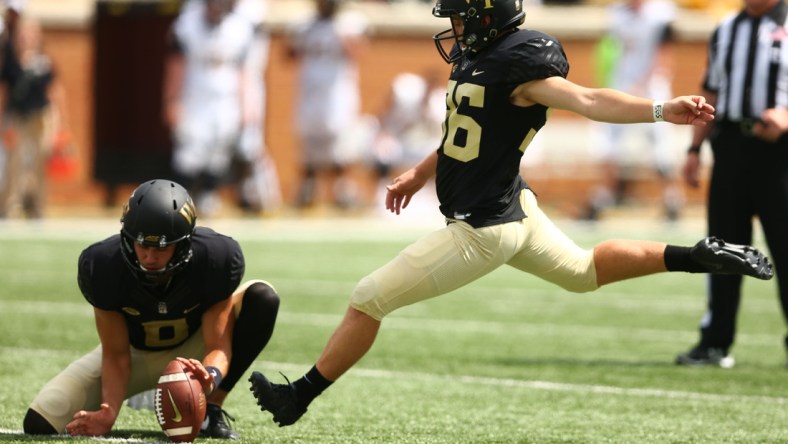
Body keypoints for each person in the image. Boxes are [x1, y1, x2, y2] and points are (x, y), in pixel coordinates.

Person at [249, 0, 773, 426]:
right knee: (584, 272)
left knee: (367, 299)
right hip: (516, 210)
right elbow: (467, 131)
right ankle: (697, 255)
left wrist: (660, 110)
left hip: (482, 229)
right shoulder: (484, 63)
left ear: (483, 17)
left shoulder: (522, 65)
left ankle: (299, 396)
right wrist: (418, 172)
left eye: (459, 18)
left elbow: (588, 99)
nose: (453, 29)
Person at [22, 179, 280, 439]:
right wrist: (109, 412)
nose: (149, 256)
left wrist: (209, 378)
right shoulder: (102, 266)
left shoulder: (215, 258)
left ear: (182, 243)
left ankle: (211, 409)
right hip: (133, 357)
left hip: (194, 355)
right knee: (40, 421)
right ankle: (148, 390)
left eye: (162, 247)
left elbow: (217, 345)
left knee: (262, 298)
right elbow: (115, 354)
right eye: (143, 244)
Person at [676, 0, 788, 368]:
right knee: (722, 249)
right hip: (731, 148)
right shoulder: (725, 29)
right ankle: (714, 342)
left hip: (780, 154)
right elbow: (711, 91)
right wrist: (695, 149)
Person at [582, 0, 682, 221]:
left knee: (660, 144)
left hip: (652, 87)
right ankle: (603, 197)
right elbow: (610, 51)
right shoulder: (616, 13)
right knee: (609, 141)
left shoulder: (661, 13)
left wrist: (644, 82)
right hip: (621, 84)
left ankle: (671, 199)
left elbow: (664, 53)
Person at [163, 0, 258, 217]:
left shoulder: (240, 28)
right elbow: (175, 66)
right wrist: (171, 101)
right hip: (194, 98)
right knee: (189, 152)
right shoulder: (186, 25)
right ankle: (179, 202)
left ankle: (207, 195)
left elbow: (243, 71)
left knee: (219, 152)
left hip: (226, 100)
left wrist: (247, 104)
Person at [286, 0, 368, 210]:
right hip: (311, 92)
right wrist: (300, 39)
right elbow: (288, 54)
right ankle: (307, 190)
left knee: (341, 144)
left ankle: (343, 191)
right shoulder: (305, 24)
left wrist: (339, 32)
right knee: (308, 142)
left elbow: (358, 53)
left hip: (338, 94)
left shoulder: (349, 23)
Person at [0, 11, 68, 219]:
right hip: (17, 118)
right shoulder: (10, 62)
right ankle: (9, 207)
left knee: (40, 163)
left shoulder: (44, 62)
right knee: (14, 163)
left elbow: (55, 92)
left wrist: (62, 124)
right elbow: (4, 92)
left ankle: (38, 207)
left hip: (41, 117)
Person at [367, 70, 446, 206]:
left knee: (441, 154)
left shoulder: (440, 102)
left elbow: (440, 135)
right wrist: (382, 132)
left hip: (419, 145)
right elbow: (384, 109)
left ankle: (435, 196)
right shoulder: (406, 89)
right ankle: (380, 193)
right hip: (394, 138)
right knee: (383, 151)